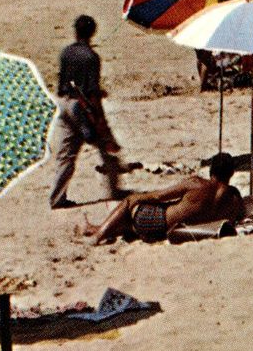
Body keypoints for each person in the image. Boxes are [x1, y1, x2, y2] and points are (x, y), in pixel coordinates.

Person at [84, 152, 243, 245]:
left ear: (211, 171)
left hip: (156, 223)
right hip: (175, 233)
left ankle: (98, 235)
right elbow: (238, 215)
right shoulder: (235, 197)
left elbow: (158, 196)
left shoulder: (196, 183)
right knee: (128, 224)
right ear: (231, 173)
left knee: (129, 202)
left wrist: (137, 198)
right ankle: (98, 229)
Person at [50, 16, 126, 208]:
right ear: (93, 32)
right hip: (81, 108)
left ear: (75, 31)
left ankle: (57, 198)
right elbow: (91, 92)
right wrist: (100, 119)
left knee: (66, 154)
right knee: (105, 144)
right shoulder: (91, 57)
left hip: (63, 104)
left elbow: (65, 82)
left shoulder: (66, 52)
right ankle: (114, 189)